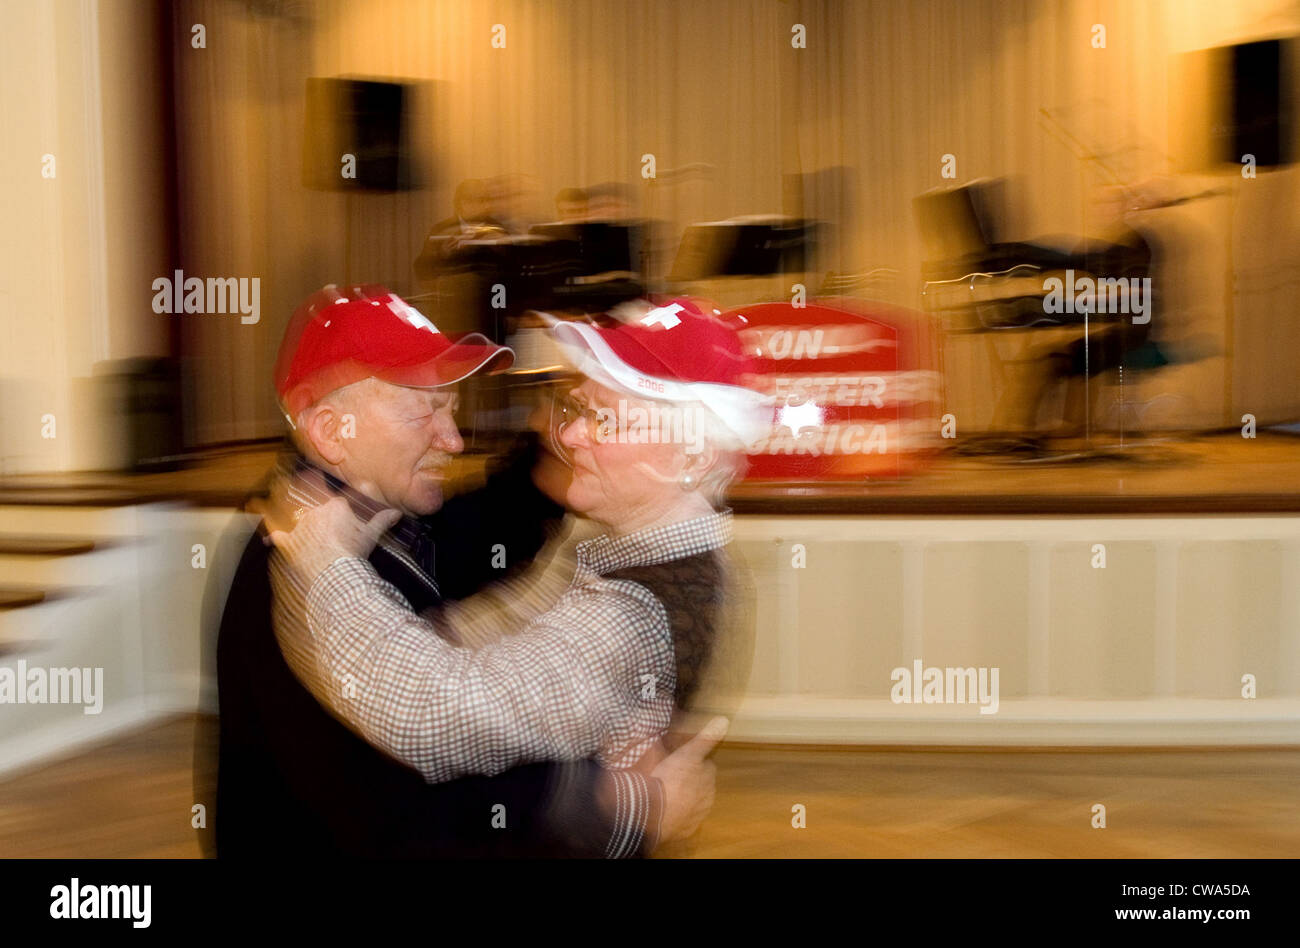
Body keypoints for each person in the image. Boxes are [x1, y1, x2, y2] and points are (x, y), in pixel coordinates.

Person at [212, 284, 720, 858]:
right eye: (422, 410)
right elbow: (415, 813)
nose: (452, 439)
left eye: (450, 407)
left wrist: (570, 444)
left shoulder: (383, 520)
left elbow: (474, 538)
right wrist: (626, 807)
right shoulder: (298, 572)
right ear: (332, 432)